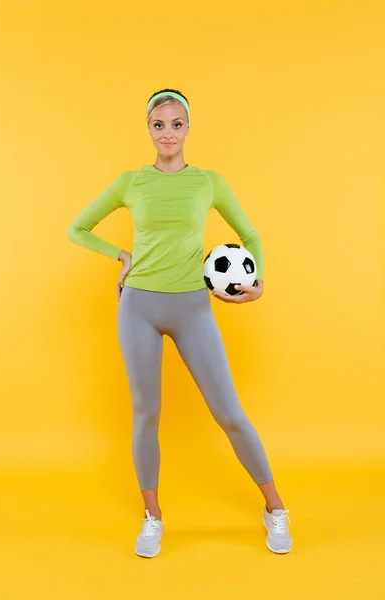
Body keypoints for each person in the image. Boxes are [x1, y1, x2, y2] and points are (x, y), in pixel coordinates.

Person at [67, 88, 292, 557]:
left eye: (175, 123)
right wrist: (122, 255)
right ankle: (153, 517)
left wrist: (260, 281)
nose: (167, 132)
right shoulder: (131, 182)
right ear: (148, 130)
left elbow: (249, 235)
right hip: (139, 308)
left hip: (192, 307)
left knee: (229, 413)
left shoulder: (208, 182)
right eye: (158, 124)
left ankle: (274, 509)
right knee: (147, 414)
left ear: (188, 127)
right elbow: (78, 228)